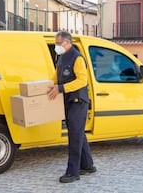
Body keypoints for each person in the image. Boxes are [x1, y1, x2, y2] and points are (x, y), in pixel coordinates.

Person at [48, 31, 96, 183]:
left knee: (74, 136)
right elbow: (56, 77)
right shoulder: (61, 58)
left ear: (67, 43)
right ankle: (88, 165)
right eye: (56, 43)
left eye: (58, 43)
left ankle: (73, 172)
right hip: (69, 101)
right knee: (78, 133)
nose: (57, 46)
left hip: (78, 101)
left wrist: (61, 88)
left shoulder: (77, 58)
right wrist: (47, 86)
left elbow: (82, 81)